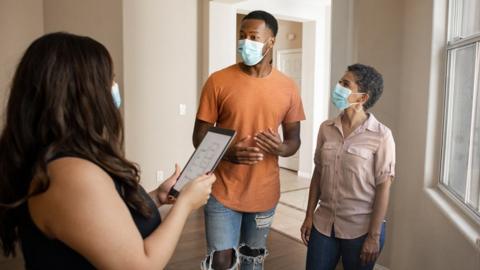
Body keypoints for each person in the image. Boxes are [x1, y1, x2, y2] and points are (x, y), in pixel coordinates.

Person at [0, 32, 215, 269]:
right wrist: (185, 205)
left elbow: (101, 220)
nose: (115, 87)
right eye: (109, 79)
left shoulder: (64, 161)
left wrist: (157, 197)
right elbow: (139, 266)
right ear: (82, 92)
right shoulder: (71, 175)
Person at [193, 10, 306, 270]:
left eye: (254, 36)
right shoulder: (218, 81)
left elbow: (293, 141)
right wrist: (229, 152)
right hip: (221, 190)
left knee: (252, 261)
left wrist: (280, 148)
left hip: (264, 193)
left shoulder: (288, 87)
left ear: (271, 41)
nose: (245, 42)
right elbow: (198, 136)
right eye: (242, 35)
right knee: (221, 261)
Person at [301, 64, 395, 270]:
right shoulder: (326, 128)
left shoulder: (381, 135)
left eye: (345, 84)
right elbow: (318, 174)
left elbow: (383, 188)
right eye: (340, 82)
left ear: (362, 98)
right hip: (323, 224)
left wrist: (374, 236)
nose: (338, 87)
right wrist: (309, 216)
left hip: (361, 230)